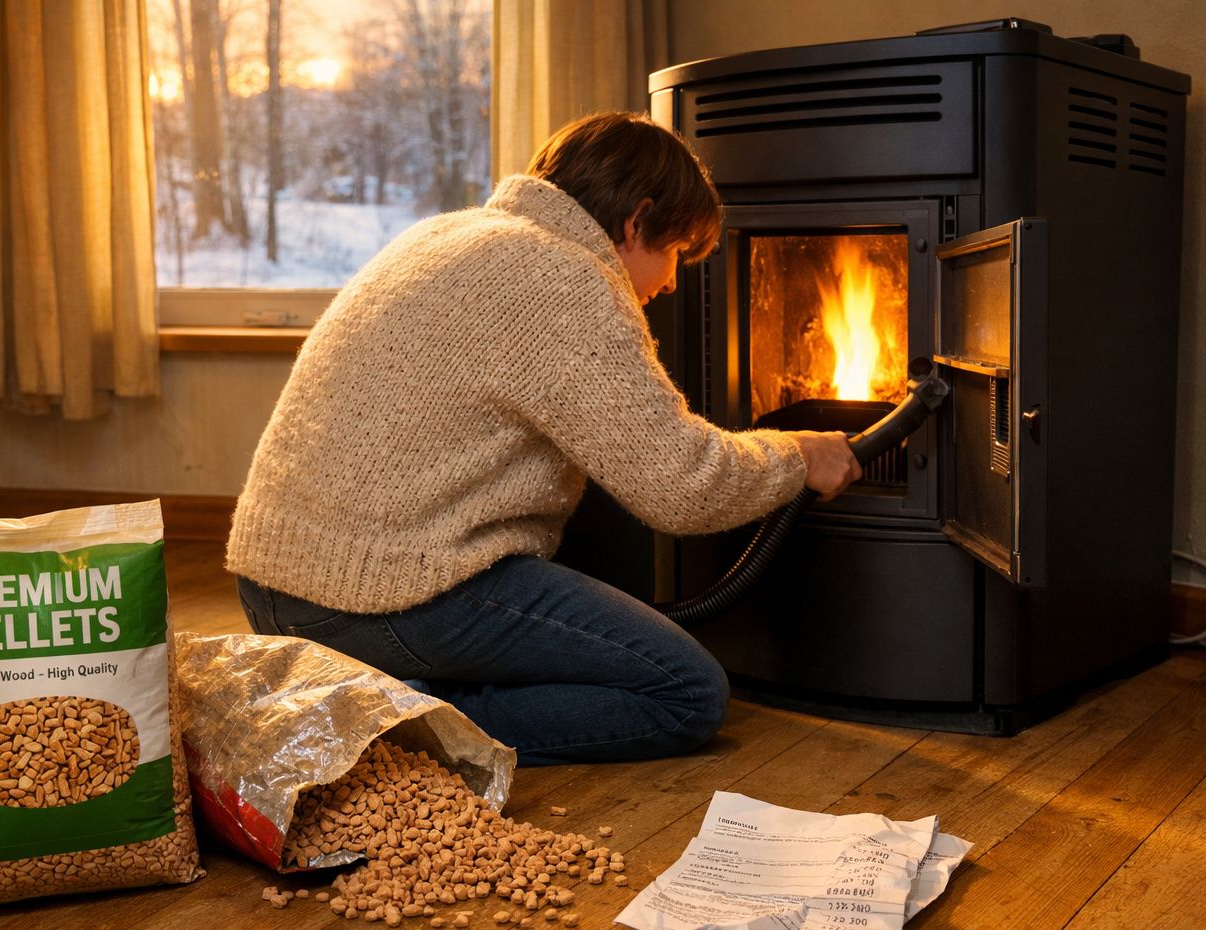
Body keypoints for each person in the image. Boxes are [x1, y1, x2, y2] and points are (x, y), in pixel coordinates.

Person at [226, 112, 861, 766]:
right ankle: (391, 730)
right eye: (674, 253)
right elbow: (680, 486)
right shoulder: (564, 275)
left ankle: (377, 690)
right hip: (379, 597)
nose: (670, 281)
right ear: (636, 222)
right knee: (685, 692)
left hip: (275, 585)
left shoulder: (446, 233)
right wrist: (797, 455)